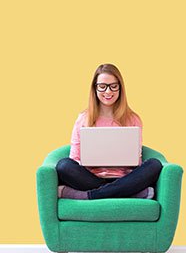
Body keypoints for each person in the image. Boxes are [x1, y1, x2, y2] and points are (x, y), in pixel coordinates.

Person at [56, 63, 163, 200]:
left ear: (120, 88)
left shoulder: (133, 119)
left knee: (154, 164)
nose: (108, 92)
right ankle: (130, 194)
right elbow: (74, 158)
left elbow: (137, 160)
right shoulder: (83, 119)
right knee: (64, 165)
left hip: (125, 179)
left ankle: (90, 195)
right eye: (102, 86)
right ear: (95, 88)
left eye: (113, 86)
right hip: (90, 179)